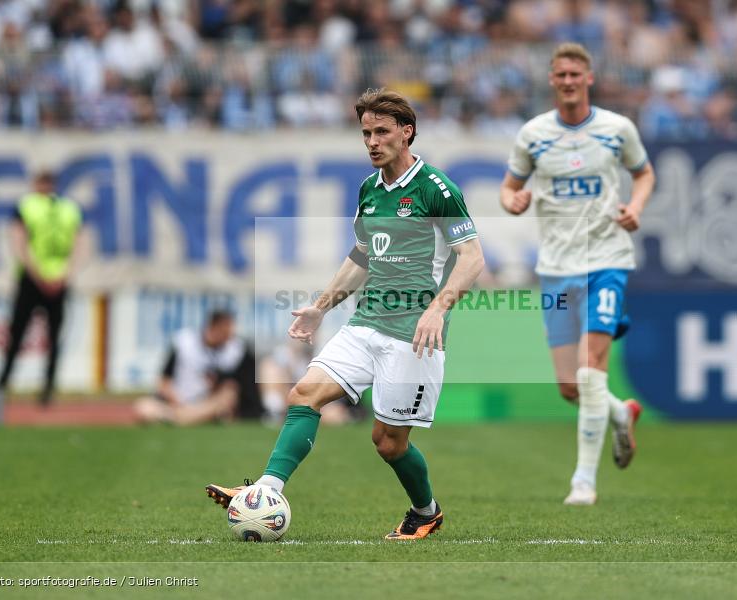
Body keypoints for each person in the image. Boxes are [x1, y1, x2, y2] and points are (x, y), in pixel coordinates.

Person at [206, 88, 484, 540]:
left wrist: (439, 308)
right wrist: (320, 308)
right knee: (302, 395)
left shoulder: (437, 189)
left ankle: (426, 510)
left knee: (388, 443)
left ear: (406, 132)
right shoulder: (370, 190)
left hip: (413, 334)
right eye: (366, 133)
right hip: (366, 322)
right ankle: (265, 490)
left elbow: (471, 258)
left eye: (382, 132)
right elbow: (360, 257)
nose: (372, 142)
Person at [499, 43, 656, 506]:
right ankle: (620, 413)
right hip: (555, 268)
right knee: (571, 386)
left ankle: (583, 482)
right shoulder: (533, 135)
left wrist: (635, 207)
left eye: (575, 74)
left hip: (606, 260)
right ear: (552, 80)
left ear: (589, 78)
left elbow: (644, 174)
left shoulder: (616, 129)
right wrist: (514, 202)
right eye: (560, 75)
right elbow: (510, 188)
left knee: (591, 375)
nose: (568, 81)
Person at [0, 170, 84, 406]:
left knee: (38, 336)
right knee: (28, 335)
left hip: (40, 279)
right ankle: (9, 386)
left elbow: (19, 242)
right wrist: (63, 275)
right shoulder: (68, 208)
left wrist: (47, 275)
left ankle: (36, 388)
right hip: (51, 279)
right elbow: (77, 245)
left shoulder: (29, 205)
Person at [134, 309, 264, 425]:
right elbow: (164, 381)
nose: (229, 337)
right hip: (178, 403)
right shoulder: (184, 343)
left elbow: (234, 388)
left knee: (228, 394)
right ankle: (183, 419)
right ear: (214, 327)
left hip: (207, 403)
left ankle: (178, 420)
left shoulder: (234, 350)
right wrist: (177, 401)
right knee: (143, 407)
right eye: (225, 332)